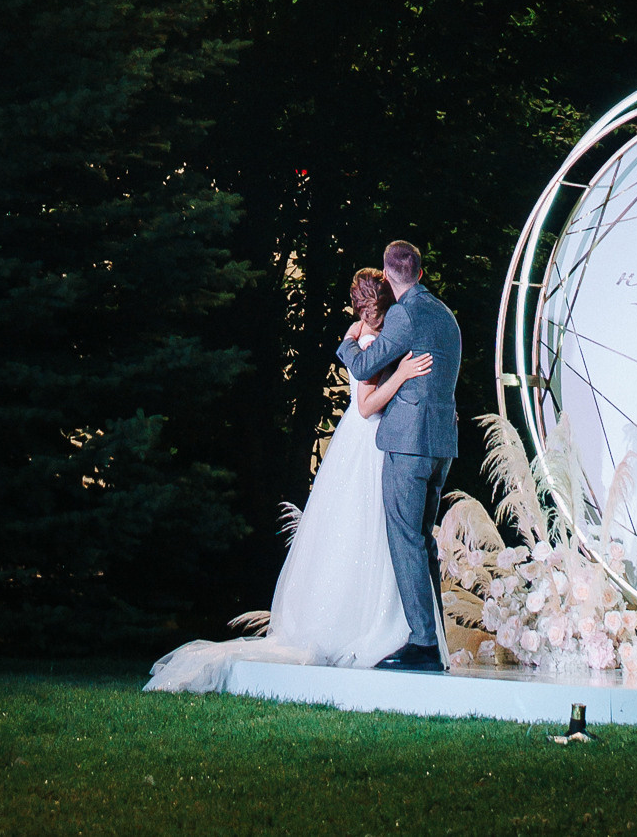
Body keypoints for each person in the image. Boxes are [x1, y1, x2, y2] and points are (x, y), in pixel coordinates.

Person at [144, 266, 442, 692]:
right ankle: (371, 626)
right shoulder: (369, 338)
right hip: (369, 442)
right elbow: (364, 406)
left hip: (384, 443)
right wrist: (400, 375)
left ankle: (399, 628)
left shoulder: (373, 332)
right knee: (369, 533)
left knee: (381, 535)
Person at [336, 235, 462, 672]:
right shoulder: (445, 315)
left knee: (407, 540)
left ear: (389, 276)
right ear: (421, 272)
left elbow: (363, 367)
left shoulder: (405, 316)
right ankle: (436, 640)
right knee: (423, 542)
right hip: (441, 444)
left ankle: (424, 643)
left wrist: (348, 342)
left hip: (409, 446)